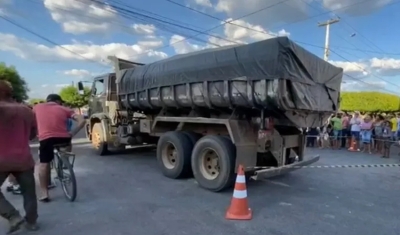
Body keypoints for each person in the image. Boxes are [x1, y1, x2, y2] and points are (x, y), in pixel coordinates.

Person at [0, 80, 38, 232]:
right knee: (29, 192)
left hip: (1, 159)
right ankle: (32, 222)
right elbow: (32, 135)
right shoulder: (27, 110)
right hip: (24, 159)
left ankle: (13, 216)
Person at [33, 94, 85, 202]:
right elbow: (82, 120)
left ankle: (44, 193)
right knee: (67, 143)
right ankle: (65, 161)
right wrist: (73, 132)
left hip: (46, 138)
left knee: (44, 164)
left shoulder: (37, 107)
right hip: (63, 138)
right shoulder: (65, 109)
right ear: (58, 101)